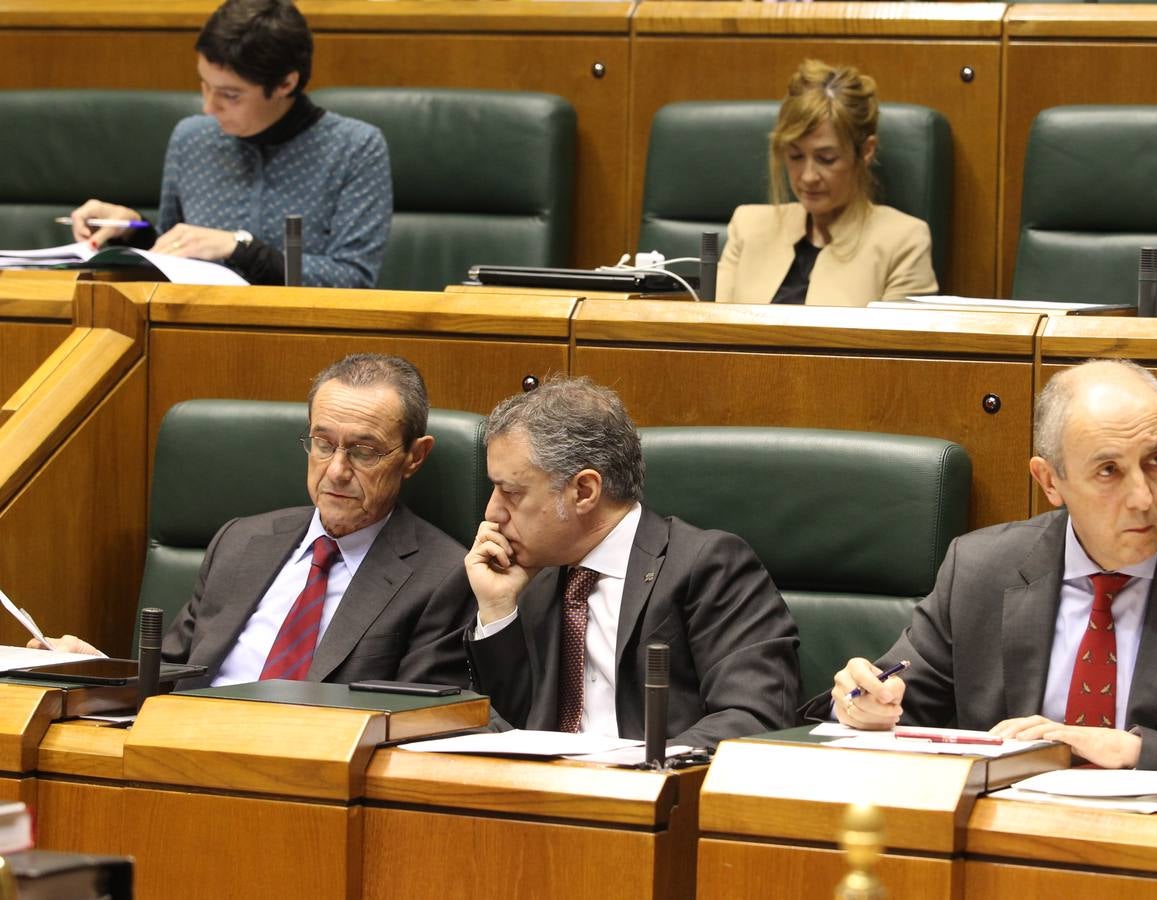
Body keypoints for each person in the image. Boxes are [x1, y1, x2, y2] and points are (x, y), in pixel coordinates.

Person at [806, 359, 1157, 804]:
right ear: (1049, 481)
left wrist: (1135, 752)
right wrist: (860, 706)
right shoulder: (982, 570)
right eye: (1108, 471)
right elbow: (894, 704)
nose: (1143, 497)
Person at [33, 354, 473, 690]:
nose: (336, 470)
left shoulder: (442, 577)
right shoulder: (241, 541)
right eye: (323, 444)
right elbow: (166, 679)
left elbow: (410, 727)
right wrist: (96, 671)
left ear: (414, 456)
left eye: (363, 451)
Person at [464, 376, 800, 747]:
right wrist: (498, 612)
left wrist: (633, 772)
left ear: (584, 491)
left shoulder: (707, 566)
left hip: (653, 791)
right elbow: (505, 725)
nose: (492, 513)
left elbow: (753, 717)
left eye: (511, 493)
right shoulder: (529, 578)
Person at [66, 0, 391, 288]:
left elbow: (354, 280)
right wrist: (131, 229)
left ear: (285, 83)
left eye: (230, 95)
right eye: (205, 86)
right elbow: (171, 256)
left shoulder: (356, 148)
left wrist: (241, 249)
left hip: (305, 339)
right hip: (195, 329)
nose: (209, 107)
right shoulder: (191, 137)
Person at [716, 59, 938, 307]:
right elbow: (710, 336)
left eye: (826, 159)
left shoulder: (904, 242)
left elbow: (897, 345)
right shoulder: (748, 227)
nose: (808, 176)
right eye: (796, 156)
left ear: (866, 151)